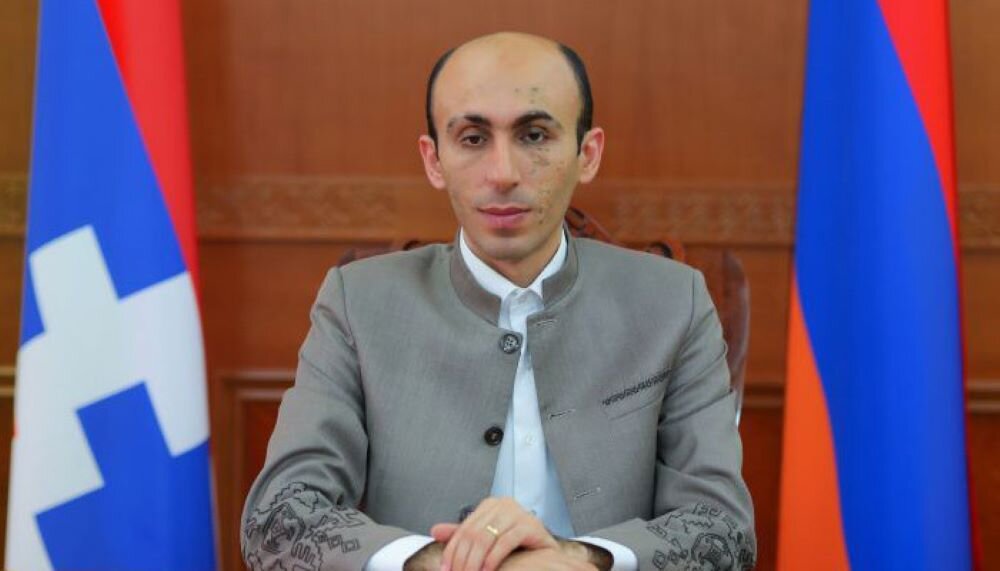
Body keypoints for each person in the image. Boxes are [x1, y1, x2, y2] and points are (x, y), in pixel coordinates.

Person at [241, 32, 756, 571]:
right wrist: (441, 561)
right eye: (472, 138)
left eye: (534, 135)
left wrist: (577, 559)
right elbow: (279, 521)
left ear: (587, 153)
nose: (503, 173)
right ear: (434, 160)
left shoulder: (674, 300)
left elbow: (721, 528)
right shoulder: (358, 303)